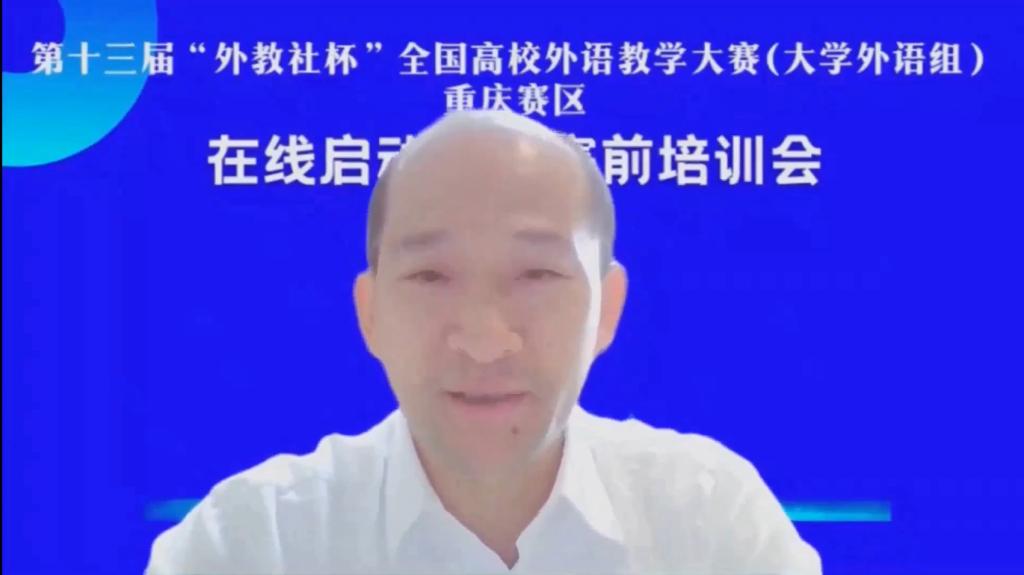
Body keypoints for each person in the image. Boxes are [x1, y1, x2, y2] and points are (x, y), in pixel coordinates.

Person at [146, 110, 821, 574]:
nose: (484, 340)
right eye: (431, 276)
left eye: (537, 275)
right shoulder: (250, 542)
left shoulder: (711, 524)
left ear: (607, 309)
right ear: (370, 313)